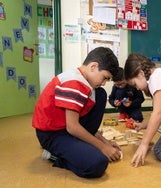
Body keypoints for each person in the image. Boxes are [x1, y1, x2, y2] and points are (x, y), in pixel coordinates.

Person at [32, 47, 122, 178]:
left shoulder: (85, 82)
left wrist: (104, 142)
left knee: (101, 94)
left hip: (66, 129)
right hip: (52, 134)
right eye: (104, 78)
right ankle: (54, 156)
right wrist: (103, 148)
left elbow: (81, 123)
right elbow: (73, 127)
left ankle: (75, 148)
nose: (103, 83)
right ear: (93, 67)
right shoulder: (74, 83)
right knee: (97, 163)